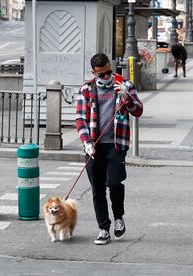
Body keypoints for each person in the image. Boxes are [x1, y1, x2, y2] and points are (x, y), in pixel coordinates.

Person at [75, 53, 143, 245]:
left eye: (108, 72)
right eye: (102, 75)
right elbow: (80, 119)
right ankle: (103, 228)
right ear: (94, 73)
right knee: (97, 189)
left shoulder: (125, 85)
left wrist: (127, 97)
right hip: (94, 146)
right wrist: (86, 142)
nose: (106, 77)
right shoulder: (86, 89)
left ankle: (119, 218)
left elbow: (138, 111)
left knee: (114, 183)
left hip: (116, 144)